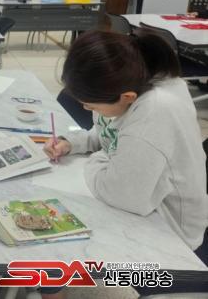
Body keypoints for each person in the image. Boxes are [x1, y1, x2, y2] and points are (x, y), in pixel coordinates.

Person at [44, 30, 208, 260]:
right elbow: (107, 132)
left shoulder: (156, 111)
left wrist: (97, 160)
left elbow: (122, 195)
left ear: (127, 97)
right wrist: (71, 143)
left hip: (172, 235)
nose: (86, 110)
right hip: (142, 205)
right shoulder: (127, 81)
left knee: (64, 244)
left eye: (91, 106)